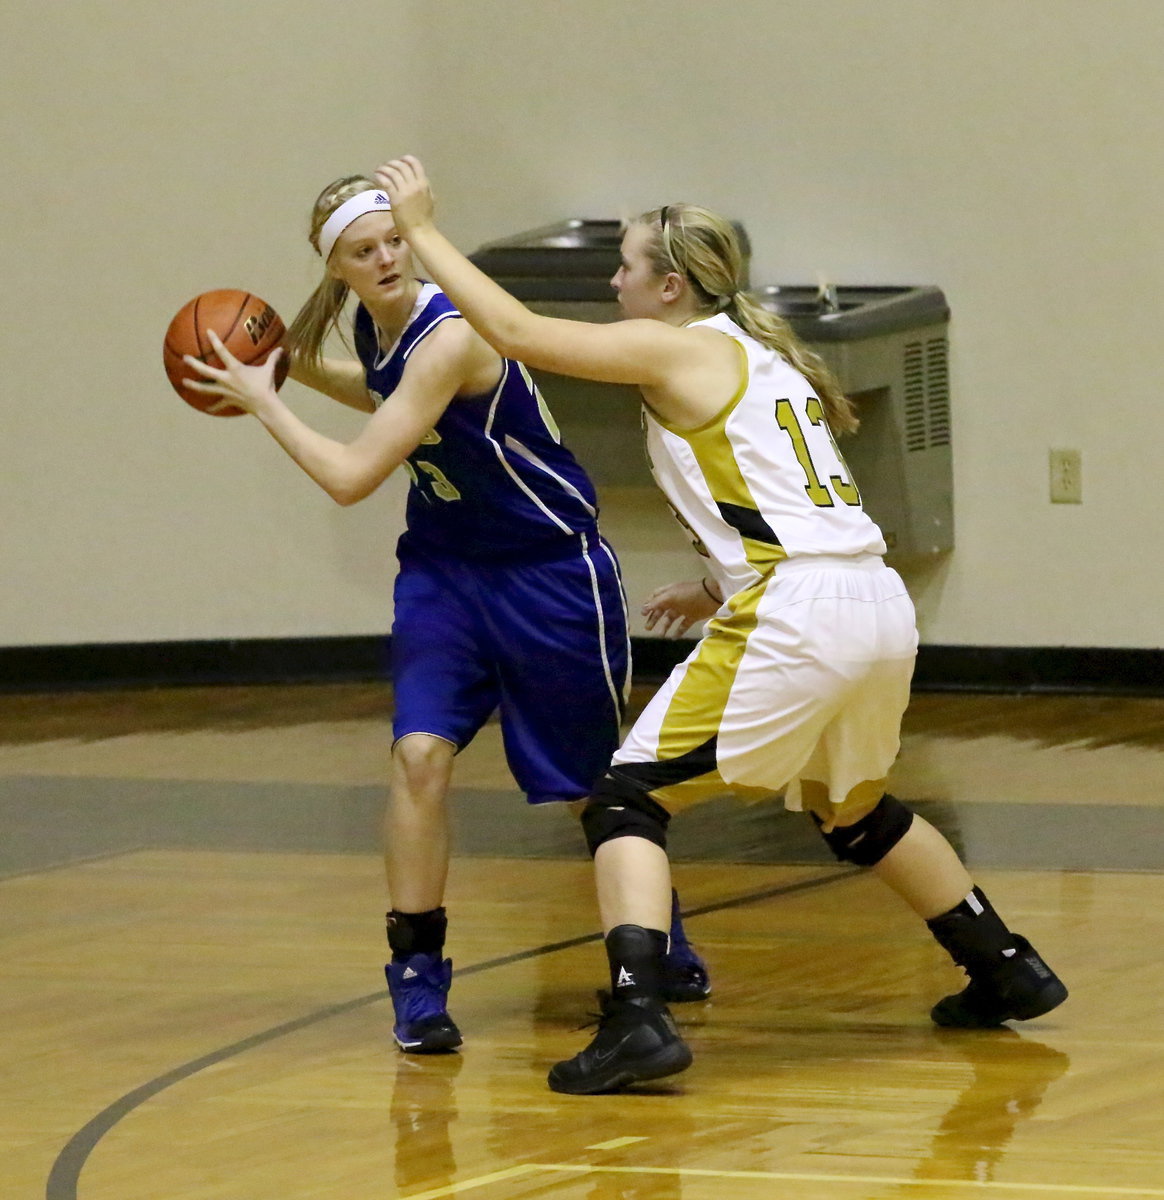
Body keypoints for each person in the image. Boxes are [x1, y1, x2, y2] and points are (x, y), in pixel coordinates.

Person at [373, 155, 1069, 1093]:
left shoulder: (679, 346)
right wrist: (714, 584)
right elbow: (788, 502)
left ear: (670, 285)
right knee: (852, 806)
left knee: (625, 799)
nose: (613, 284)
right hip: (869, 597)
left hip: (799, 611)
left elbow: (513, 330)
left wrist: (418, 228)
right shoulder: (764, 359)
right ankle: (1005, 965)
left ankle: (638, 1016)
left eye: (624, 269)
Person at [181, 174, 711, 1056]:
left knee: (590, 789)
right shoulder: (376, 328)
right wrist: (293, 360)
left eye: (395, 239)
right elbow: (385, 393)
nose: (387, 256)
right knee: (418, 756)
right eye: (364, 250)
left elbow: (353, 478)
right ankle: (418, 982)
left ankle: (664, 944)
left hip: (549, 573)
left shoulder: (452, 335)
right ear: (339, 269)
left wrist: (266, 397)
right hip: (443, 571)